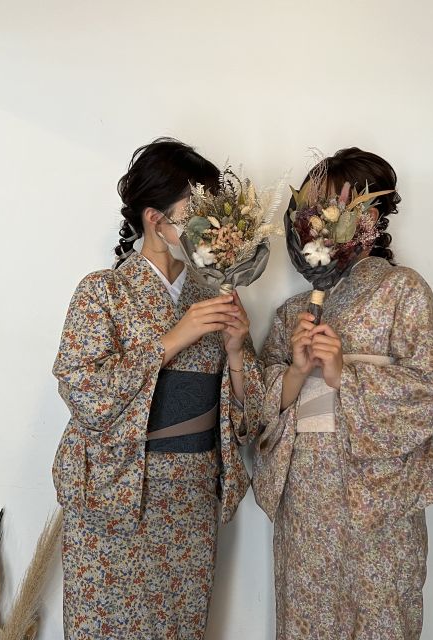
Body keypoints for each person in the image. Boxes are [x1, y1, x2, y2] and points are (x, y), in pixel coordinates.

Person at [52, 137, 263, 639]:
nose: (211, 229)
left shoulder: (213, 295)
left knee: (179, 627)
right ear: (155, 218)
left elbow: (250, 420)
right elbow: (84, 391)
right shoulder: (103, 290)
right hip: (118, 497)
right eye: (198, 215)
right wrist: (171, 340)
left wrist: (236, 351)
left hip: (190, 497)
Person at [253, 147, 433, 639]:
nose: (316, 223)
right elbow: (258, 407)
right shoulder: (294, 311)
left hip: (376, 492)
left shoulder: (403, 290)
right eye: (311, 212)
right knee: (307, 616)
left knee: (380, 613)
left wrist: (343, 373)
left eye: (328, 210)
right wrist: (296, 372)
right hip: (306, 490)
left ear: (368, 218)